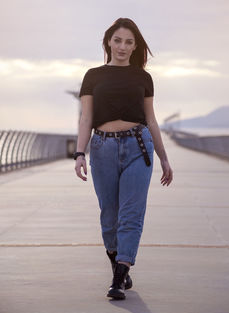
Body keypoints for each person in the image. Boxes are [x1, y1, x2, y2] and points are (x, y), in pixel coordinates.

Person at [74, 17, 173, 300]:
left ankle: (119, 277)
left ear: (135, 46)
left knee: (132, 213)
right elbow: (86, 118)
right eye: (117, 40)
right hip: (102, 148)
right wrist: (80, 153)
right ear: (108, 42)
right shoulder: (93, 75)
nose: (122, 46)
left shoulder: (143, 77)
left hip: (138, 147)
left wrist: (164, 158)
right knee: (110, 215)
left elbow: (151, 120)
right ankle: (120, 266)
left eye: (129, 42)